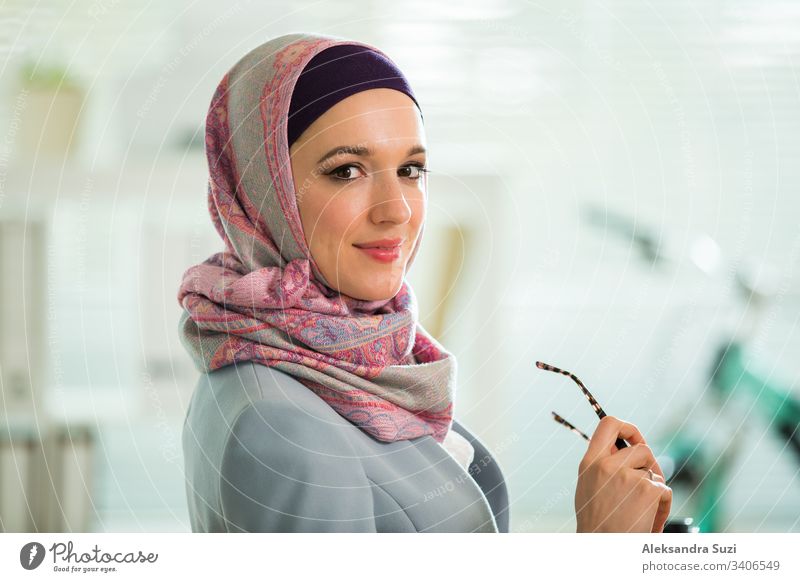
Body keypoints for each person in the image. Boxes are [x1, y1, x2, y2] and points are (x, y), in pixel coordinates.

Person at [178, 32, 671, 533]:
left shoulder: (346, 358)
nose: (396, 210)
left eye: (411, 169)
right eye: (347, 170)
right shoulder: (283, 429)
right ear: (264, 192)